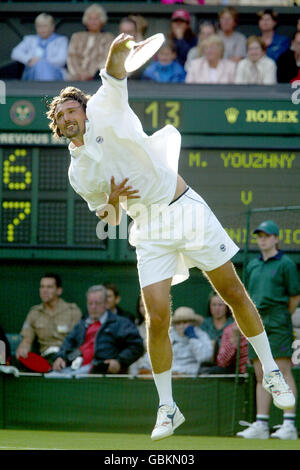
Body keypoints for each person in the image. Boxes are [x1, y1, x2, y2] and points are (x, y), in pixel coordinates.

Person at [46, 33, 295, 441]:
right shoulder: (78, 173)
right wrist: (111, 198)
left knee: (233, 291)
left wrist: (115, 51)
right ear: (57, 127)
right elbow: (107, 216)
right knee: (157, 316)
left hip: (185, 209)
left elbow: (112, 72)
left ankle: (270, 371)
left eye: (72, 109)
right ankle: (167, 407)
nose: (68, 117)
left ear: (85, 110)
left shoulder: (107, 106)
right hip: (148, 231)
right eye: (60, 117)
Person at [237, 221, 300, 440]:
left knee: (282, 371)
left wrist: (280, 316)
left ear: (276, 238)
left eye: (266, 235)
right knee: (261, 374)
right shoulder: (253, 265)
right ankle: (261, 424)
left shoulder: (286, 264)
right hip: (256, 321)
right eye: (259, 236)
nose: (262, 239)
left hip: (278, 320)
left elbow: (294, 296)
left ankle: (289, 425)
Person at [47, 285, 143, 377]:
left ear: (106, 304)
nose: (93, 307)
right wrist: (60, 357)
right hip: (72, 367)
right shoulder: (81, 324)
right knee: (49, 377)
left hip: (98, 370)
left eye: (97, 303)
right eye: (90, 303)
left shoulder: (120, 323)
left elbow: (137, 346)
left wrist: (119, 361)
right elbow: (67, 342)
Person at [15, 273, 82, 367]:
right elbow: (27, 339)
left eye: (49, 287)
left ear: (59, 290)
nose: (44, 291)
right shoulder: (34, 313)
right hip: (45, 360)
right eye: (42, 287)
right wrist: (23, 347)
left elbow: (79, 342)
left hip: (67, 358)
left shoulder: (72, 312)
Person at [11, 13, 68, 81]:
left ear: (52, 27)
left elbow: (61, 60)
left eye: (45, 26)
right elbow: (15, 53)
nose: (42, 29)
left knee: (42, 65)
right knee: (39, 66)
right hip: (32, 74)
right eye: (39, 26)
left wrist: (41, 62)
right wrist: (29, 59)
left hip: (55, 74)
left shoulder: (61, 40)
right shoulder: (29, 39)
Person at [67, 4, 114, 81]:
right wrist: (80, 73)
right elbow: (71, 57)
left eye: (96, 19)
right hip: (76, 77)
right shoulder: (77, 36)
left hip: (98, 78)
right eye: (90, 19)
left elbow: (107, 58)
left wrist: (92, 74)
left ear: (102, 20)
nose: (93, 22)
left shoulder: (108, 37)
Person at [170, 307, 213, 376]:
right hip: (172, 374)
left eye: (185, 322)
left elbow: (204, 358)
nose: (182, 326)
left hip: (193, 373)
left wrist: (193, 338)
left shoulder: (201, 335)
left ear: (192, 323)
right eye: (178, 323)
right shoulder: (169, 336)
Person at [199, 292, 234, 373]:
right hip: (207, 365)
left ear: (226, 307)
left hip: (227, 366)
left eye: (220, 305)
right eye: (214, 305)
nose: (217, 308)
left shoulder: (232, 325)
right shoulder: (205, 325)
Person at [128, 294, 152, 377]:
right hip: (139, 364)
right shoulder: (135, 326)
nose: (144, 308)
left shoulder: (166, 326)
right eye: (142, 305)